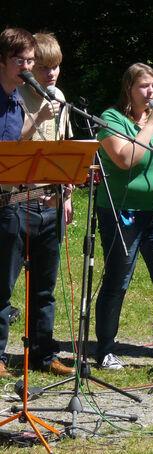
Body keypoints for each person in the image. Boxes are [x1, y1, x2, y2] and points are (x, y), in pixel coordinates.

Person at [94, 63, 153, 370]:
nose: (150, 92)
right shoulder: (112, 119)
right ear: (128, 90)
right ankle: (106, 350)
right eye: (143, 87)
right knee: (118, 281)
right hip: (123, 212)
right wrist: (150, 127)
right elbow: (125, 159)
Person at [0, 27, 74, 377]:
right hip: (17, 202)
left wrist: (67, 195)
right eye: (35, 65)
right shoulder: (15, 98)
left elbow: (64, 150)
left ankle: (44, 354)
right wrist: (37, 119)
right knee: (5, 284)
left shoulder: (56, 97)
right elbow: (13, 150)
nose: (46, 73)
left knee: (45, 288)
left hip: (50, 202)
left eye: (47, 66)